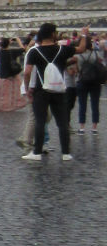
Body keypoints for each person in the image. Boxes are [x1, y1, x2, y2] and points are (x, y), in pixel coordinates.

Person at [21, 24, 89, 161]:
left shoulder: (34, 51)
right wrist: (84, 34)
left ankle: (37, 153)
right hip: (59, 90)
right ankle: (66, 153)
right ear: (53, 34)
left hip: (41, 90)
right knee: (62, 122)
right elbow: (81, 49)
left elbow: (27, 72)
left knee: (40, 121)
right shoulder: (62, 49)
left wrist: (28, 88)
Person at [75, 35, 103, 133]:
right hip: (95, 81)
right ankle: (94, 127)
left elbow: (77, 69)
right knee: (95, 104)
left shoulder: (78, 55)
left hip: (82, 81)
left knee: (82, 104)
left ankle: (82, 127)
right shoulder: (96, 54)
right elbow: (101, 64)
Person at [0, 36, 27, 112]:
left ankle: (2, 106)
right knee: (12, 92)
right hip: (11, 75)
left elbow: (4, 45)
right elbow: (23, 49)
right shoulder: (12, 52)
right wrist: (18, 40)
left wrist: (8, 42)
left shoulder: (0, 51)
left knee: (2, 93)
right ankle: (9, 106)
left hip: (1, 75)